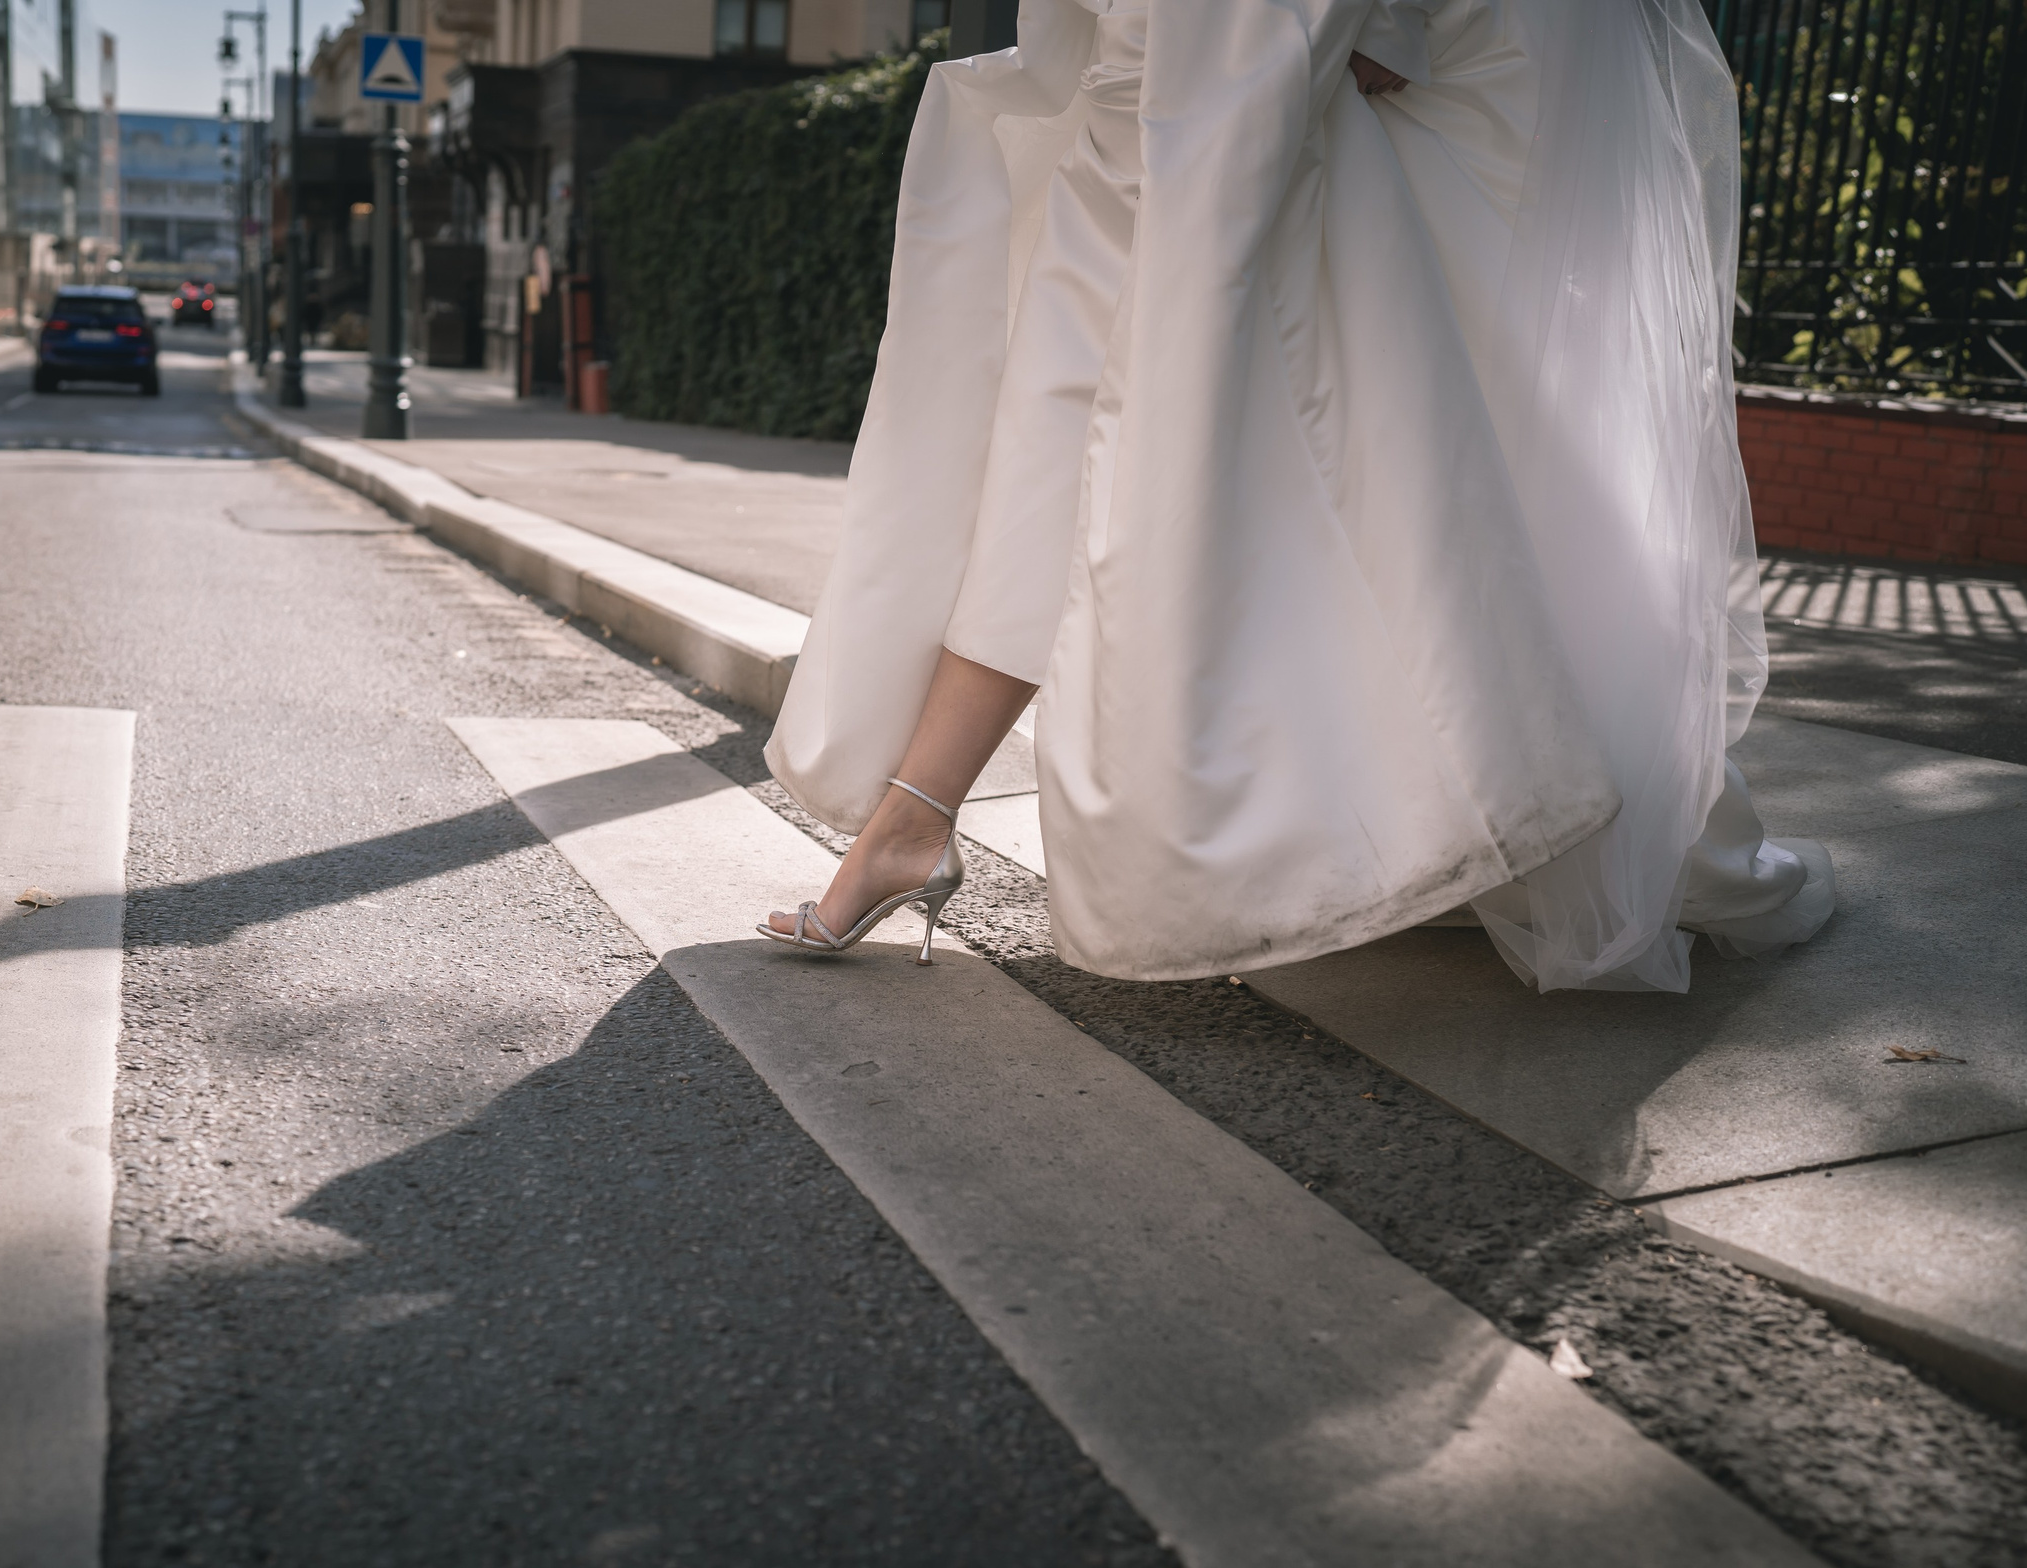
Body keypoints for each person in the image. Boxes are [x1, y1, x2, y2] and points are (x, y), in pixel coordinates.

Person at [759, 0, 1835, 993]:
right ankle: (916, 816)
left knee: (1218, 423)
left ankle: (923, 820)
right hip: (1161, 44)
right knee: (1076, 419)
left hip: (1274, 42)